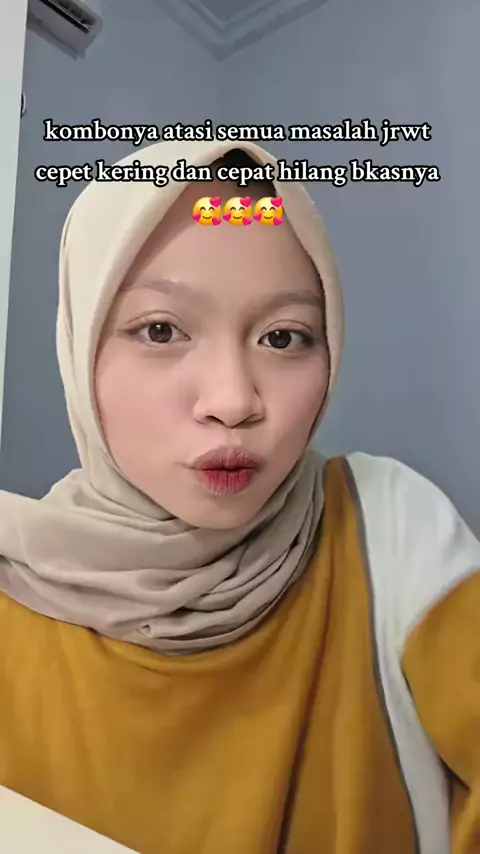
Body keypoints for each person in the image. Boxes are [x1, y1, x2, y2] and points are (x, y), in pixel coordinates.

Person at [0, 139, 477, 854]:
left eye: (284, 337)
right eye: (160, 330)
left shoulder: (389, 532)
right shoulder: (15, 594)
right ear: (80, 344)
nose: (233, 401)